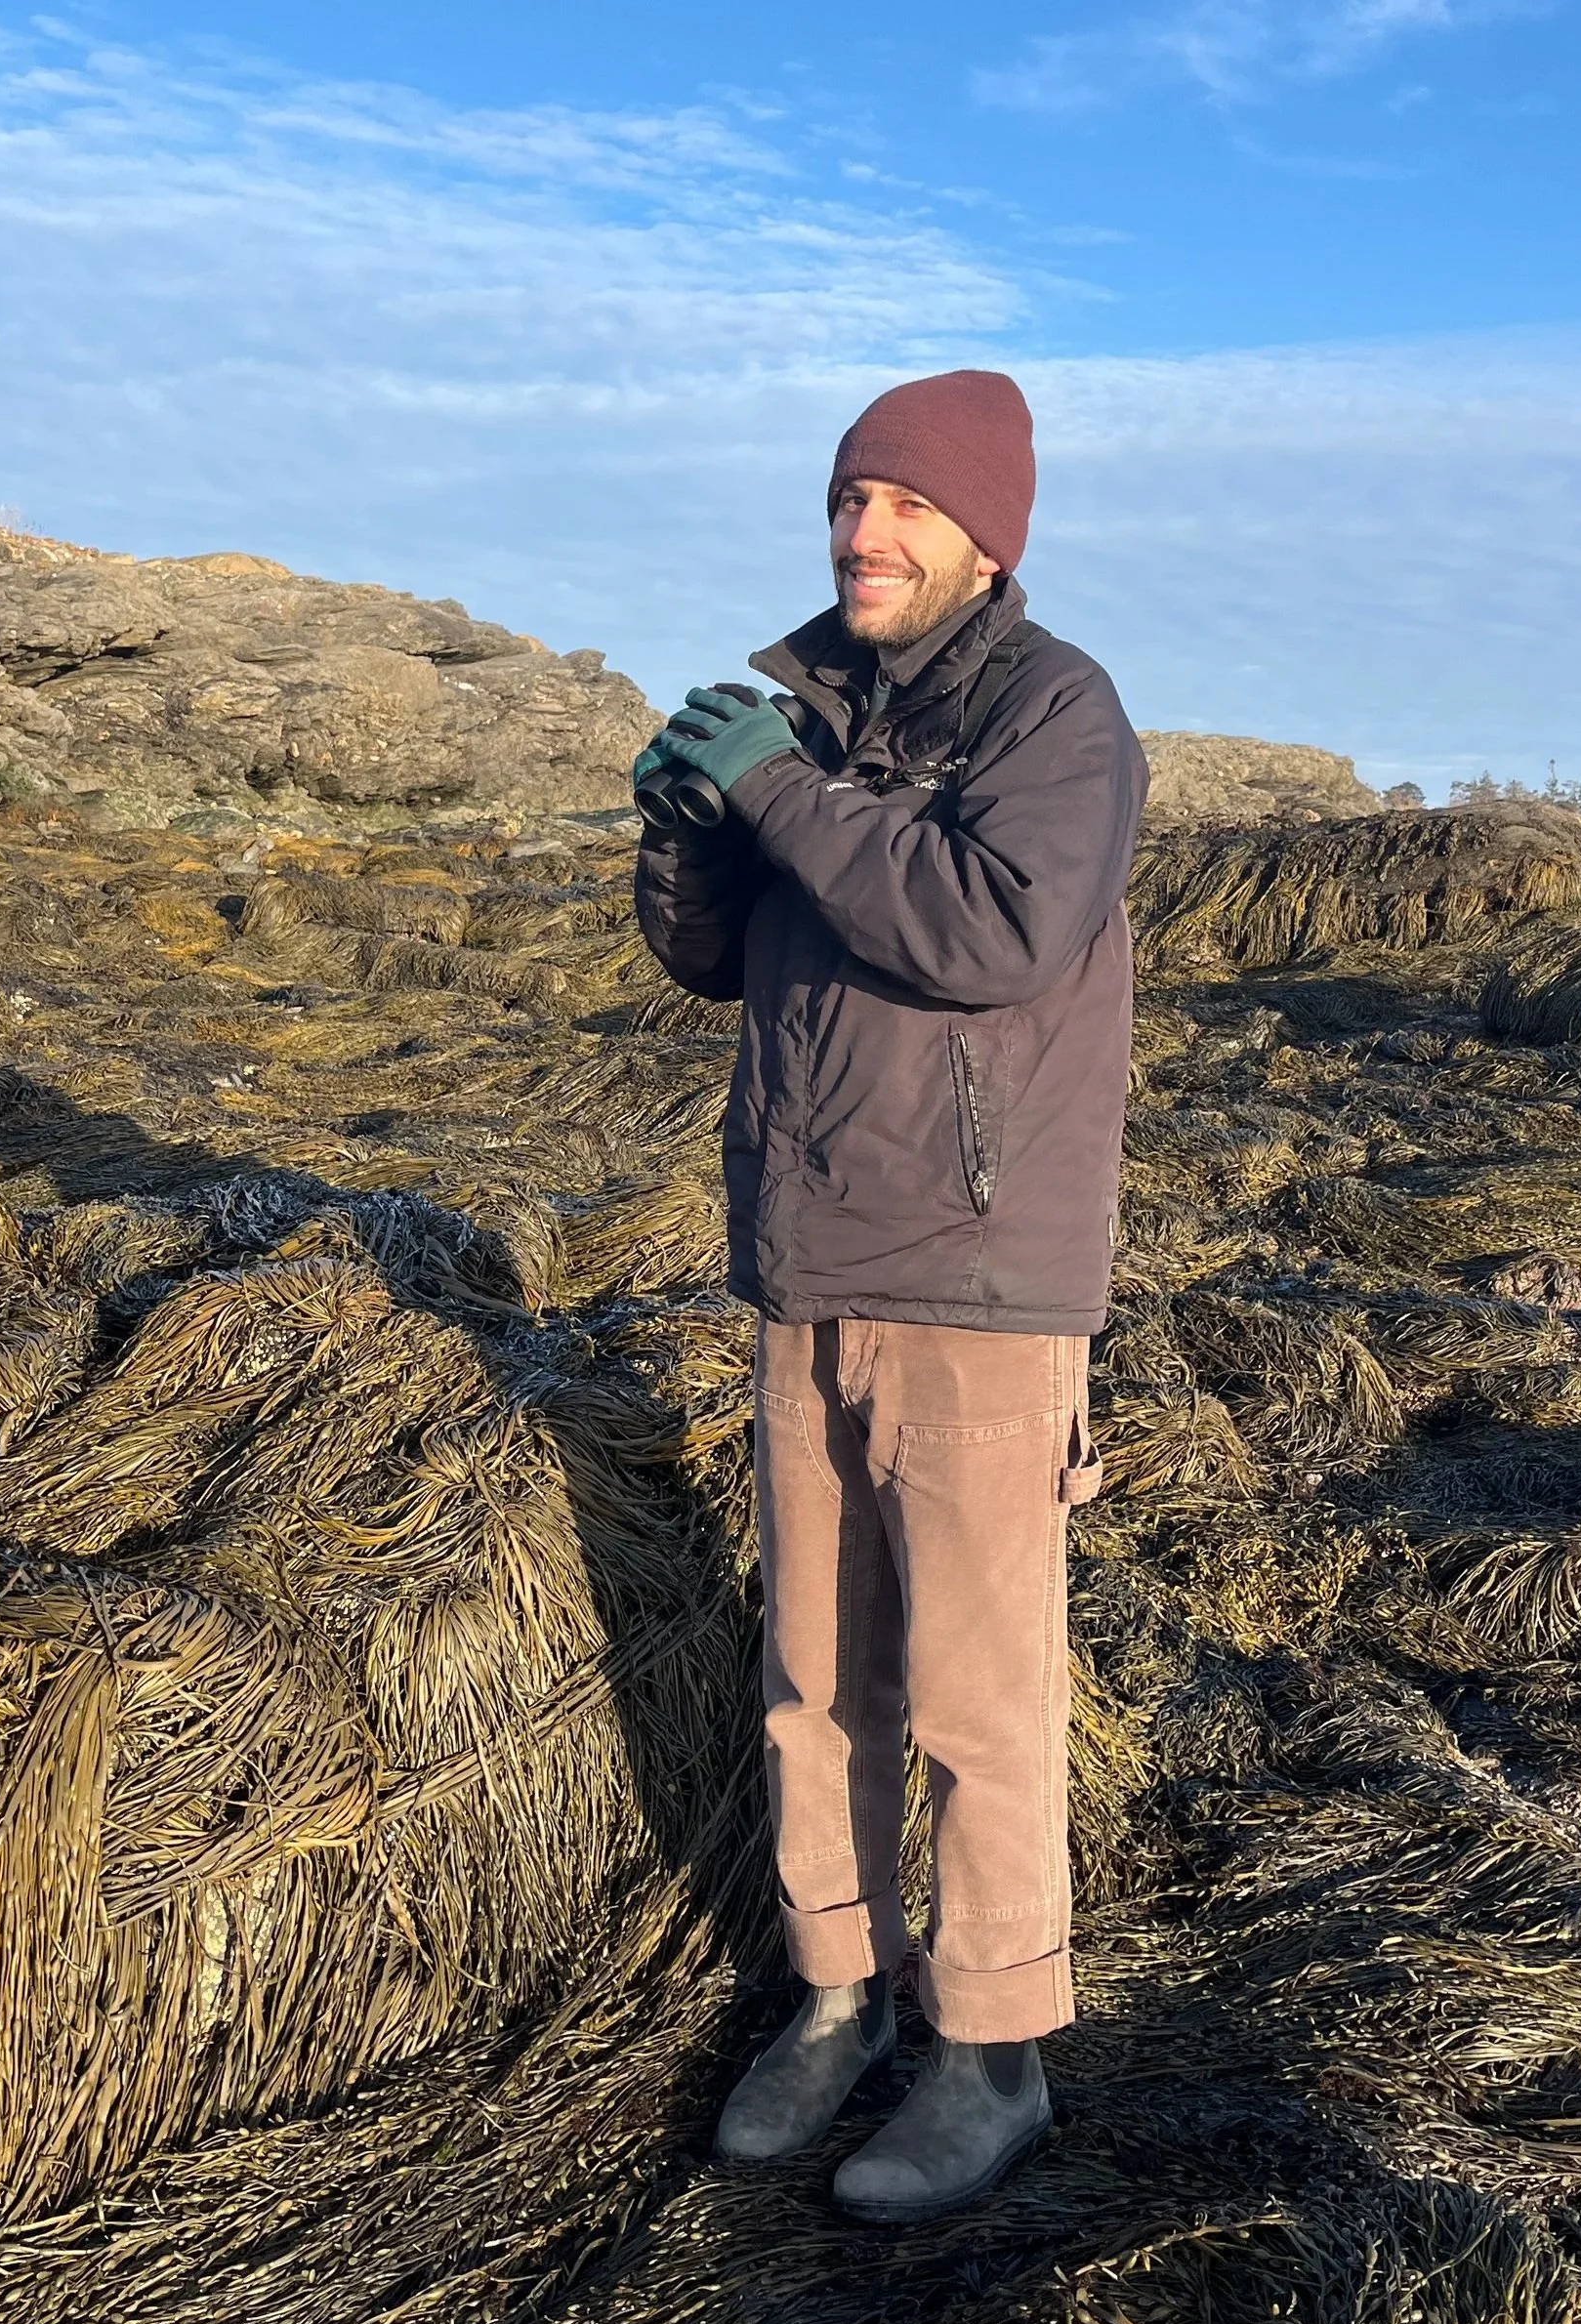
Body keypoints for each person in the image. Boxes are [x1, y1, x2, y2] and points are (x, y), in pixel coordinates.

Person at [632, 368, 1146, 2222]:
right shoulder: (804, 712)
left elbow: (988, 931)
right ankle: (839, 1996)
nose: (865, 532)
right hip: (804, 1257)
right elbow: (716, 965)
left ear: (984, 534)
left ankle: (993, 2052)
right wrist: (692, 832)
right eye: (850, 497)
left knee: (974, 1694)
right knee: (810, 1678)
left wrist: (774, 788)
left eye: (907, 506)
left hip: (984, 1277)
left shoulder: (1054, 714)